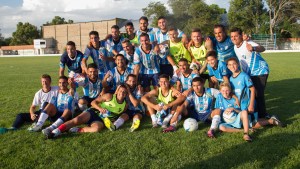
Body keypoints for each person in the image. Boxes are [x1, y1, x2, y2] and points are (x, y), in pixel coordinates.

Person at [46, 84, 129, 139]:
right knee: (76, 120)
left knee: (96, 129)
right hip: (94, 112)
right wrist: (100, 109)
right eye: (121, 91)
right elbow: (93, 102)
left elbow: (117, 116)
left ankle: (77, 130)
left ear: (126, 94)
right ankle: (56, 131)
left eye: (124, 92)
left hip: (101, 120)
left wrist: (112, 121)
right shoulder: (109, 96)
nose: (122, 93)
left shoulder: (125, 105)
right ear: (117, 91)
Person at [226, 57, 283, 128]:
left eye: (234, 64)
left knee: (250, 124)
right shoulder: (230, 78)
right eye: (230, 65)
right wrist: (236, 99)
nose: (232, 66)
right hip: (240, 105)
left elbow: (253, 89)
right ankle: (270, 120)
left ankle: (272, 120)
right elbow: (233, 92)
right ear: (228, 67)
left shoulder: (244, 76)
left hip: (248, 103)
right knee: (246, 122)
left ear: (238, 64)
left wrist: (251, 104)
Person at [230, 27, 271, 119]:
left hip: (260, 71)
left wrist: (253, 48)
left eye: (235, 36)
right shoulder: (235, 47)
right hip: (249, 74)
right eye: (232, 36)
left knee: (257, 93)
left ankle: (263, 115)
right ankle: (253, 113)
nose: (233, 38)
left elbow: (262, 48)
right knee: (250, 93)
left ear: (241, 36)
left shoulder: (247, 43)